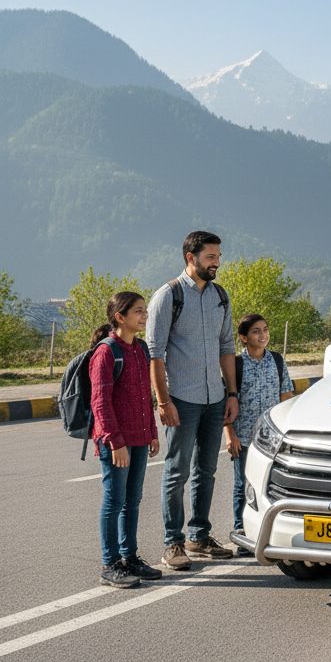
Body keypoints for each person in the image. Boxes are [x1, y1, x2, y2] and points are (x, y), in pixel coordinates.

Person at [148, 231, 238, 570]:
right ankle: (173, 543)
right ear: (191, 257)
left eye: (218, 256)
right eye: (211, 257)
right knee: (176, 472)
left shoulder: (220, 296)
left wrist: (231, 393)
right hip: (181, 399)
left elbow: (227, 347)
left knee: (207, 470)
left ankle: (198, 537)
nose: (217, 262)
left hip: (215, 398)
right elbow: (155, 354)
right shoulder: (168, 296)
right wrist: (163, 401)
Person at [89, 292, 162, 587]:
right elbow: (100, 403)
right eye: (139, 312)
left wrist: (153, 433)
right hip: (116, 443)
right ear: (120, 317)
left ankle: (129, 558)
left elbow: (147, 398)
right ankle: (110, 564)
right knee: (114, 501)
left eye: (145, 311)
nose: (144, 316)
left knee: (133, 500)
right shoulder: (107, 352)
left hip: (140, 438)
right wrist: (115, 442)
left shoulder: (140, 348)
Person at [227, 314, 294, 555]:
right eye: (256, 331)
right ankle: (242, 532)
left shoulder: (276, 360)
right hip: (244, 437)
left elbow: (286, 394)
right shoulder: (235, 365)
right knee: (242, 486)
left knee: (272, 484)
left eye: (265, 329)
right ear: (244, 338)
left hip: (272, 439)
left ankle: (271, 531)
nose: (263, 335)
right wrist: (230, 435)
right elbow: (227, 403)